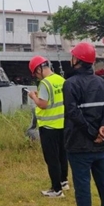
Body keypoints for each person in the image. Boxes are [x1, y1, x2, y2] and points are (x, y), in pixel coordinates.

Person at [62, 42, 104, 206]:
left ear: (76, 60)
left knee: (83, 186)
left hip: (79, 146)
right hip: (100, 146)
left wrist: (93, 132)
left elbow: (73, 114)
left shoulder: (70, 84)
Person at [27, 56, 69, 197]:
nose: (36, 76)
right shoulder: (60, 80)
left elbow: (43, 104)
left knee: (52, 159)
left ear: (39, 68)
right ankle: (64, 181)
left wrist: (33, 96)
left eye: (35, 73)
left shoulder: (45, 83)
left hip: (49, 126)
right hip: (62, 124)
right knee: (63, 155)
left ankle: (56, 190)